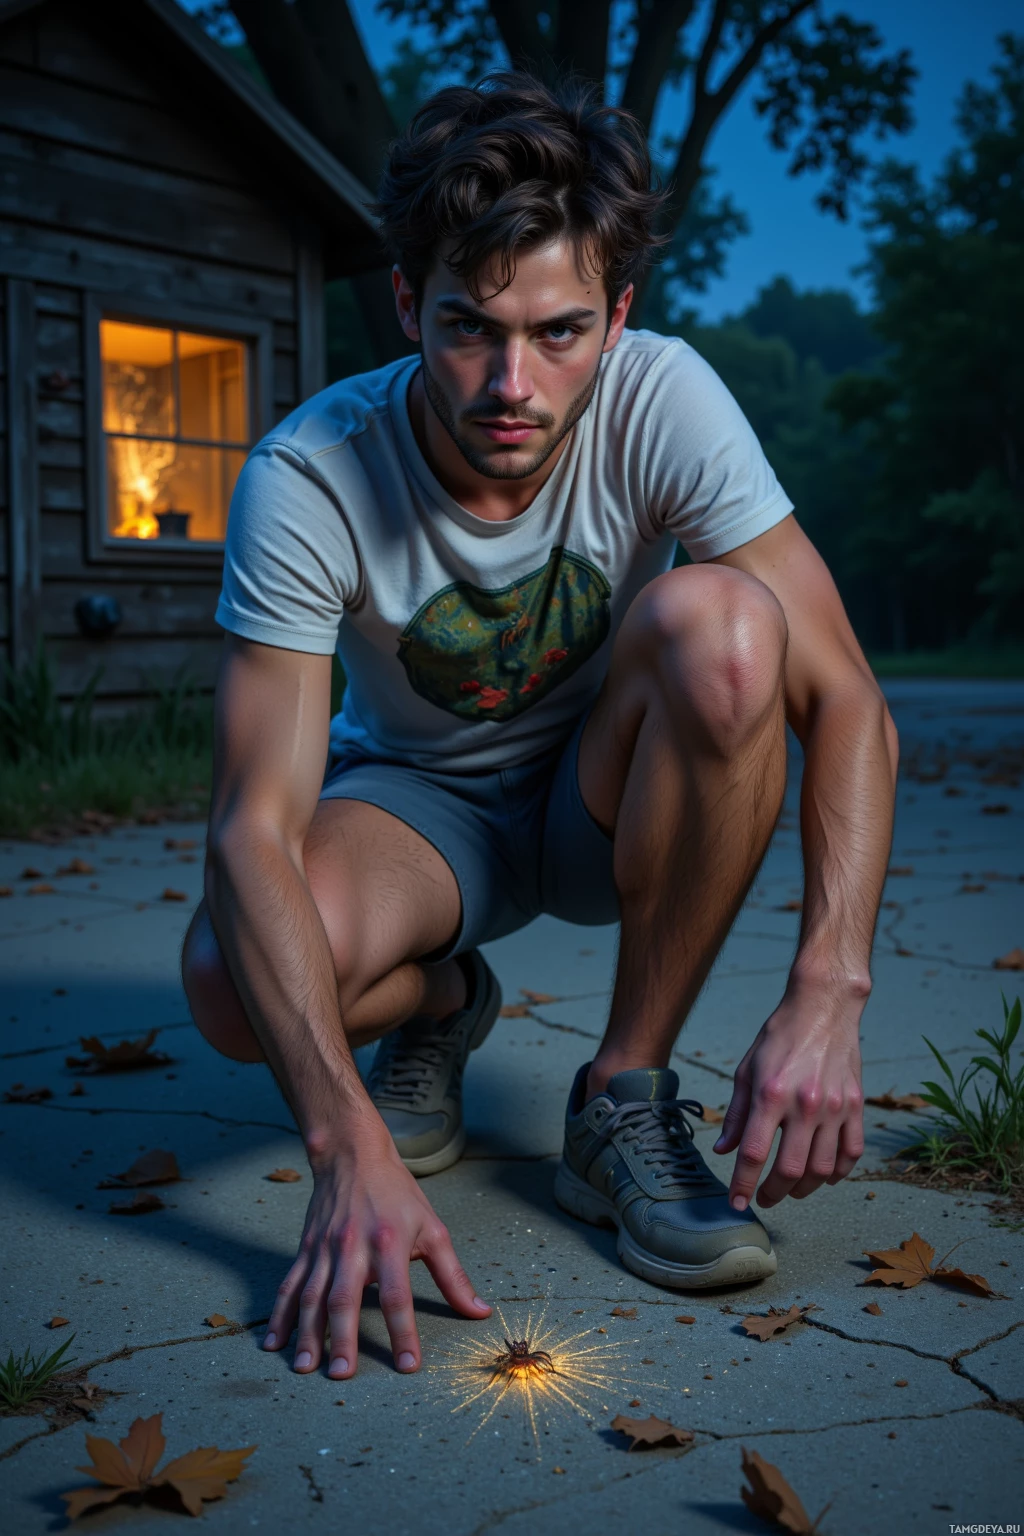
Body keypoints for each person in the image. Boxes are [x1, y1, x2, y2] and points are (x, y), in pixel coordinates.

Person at [182, 71, 897, 1384]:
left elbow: (844, 695)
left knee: (732, 626)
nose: (514, 382)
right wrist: (346, 1145)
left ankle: (622, 1092)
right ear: (406, 301)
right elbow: (253, 825)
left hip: (605, 786)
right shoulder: (307, 473)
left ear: (618, 317)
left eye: (562, 331)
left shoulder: (664, 397)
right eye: (468, 326)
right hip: (415, 805)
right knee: (233, 984)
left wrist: (830, 984)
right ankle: (448, 998)